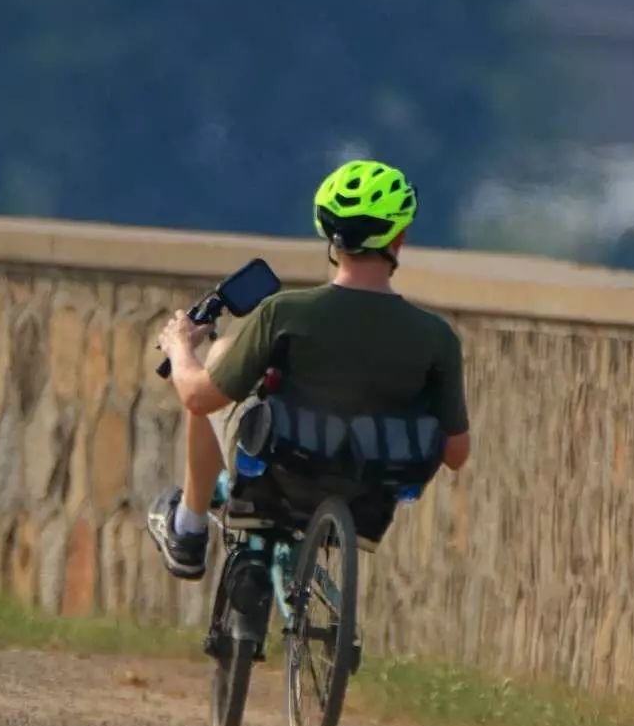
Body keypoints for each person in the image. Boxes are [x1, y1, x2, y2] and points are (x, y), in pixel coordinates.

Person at [148, 159, 470, 580]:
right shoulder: (436, 337)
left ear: (329, 236)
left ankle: (188, 527)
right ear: (400, 237)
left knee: (220, 354)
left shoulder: (284, 313)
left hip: (282, 473)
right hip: (368, 497)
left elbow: (198, 397)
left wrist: (180, 349)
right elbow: (456, 453)